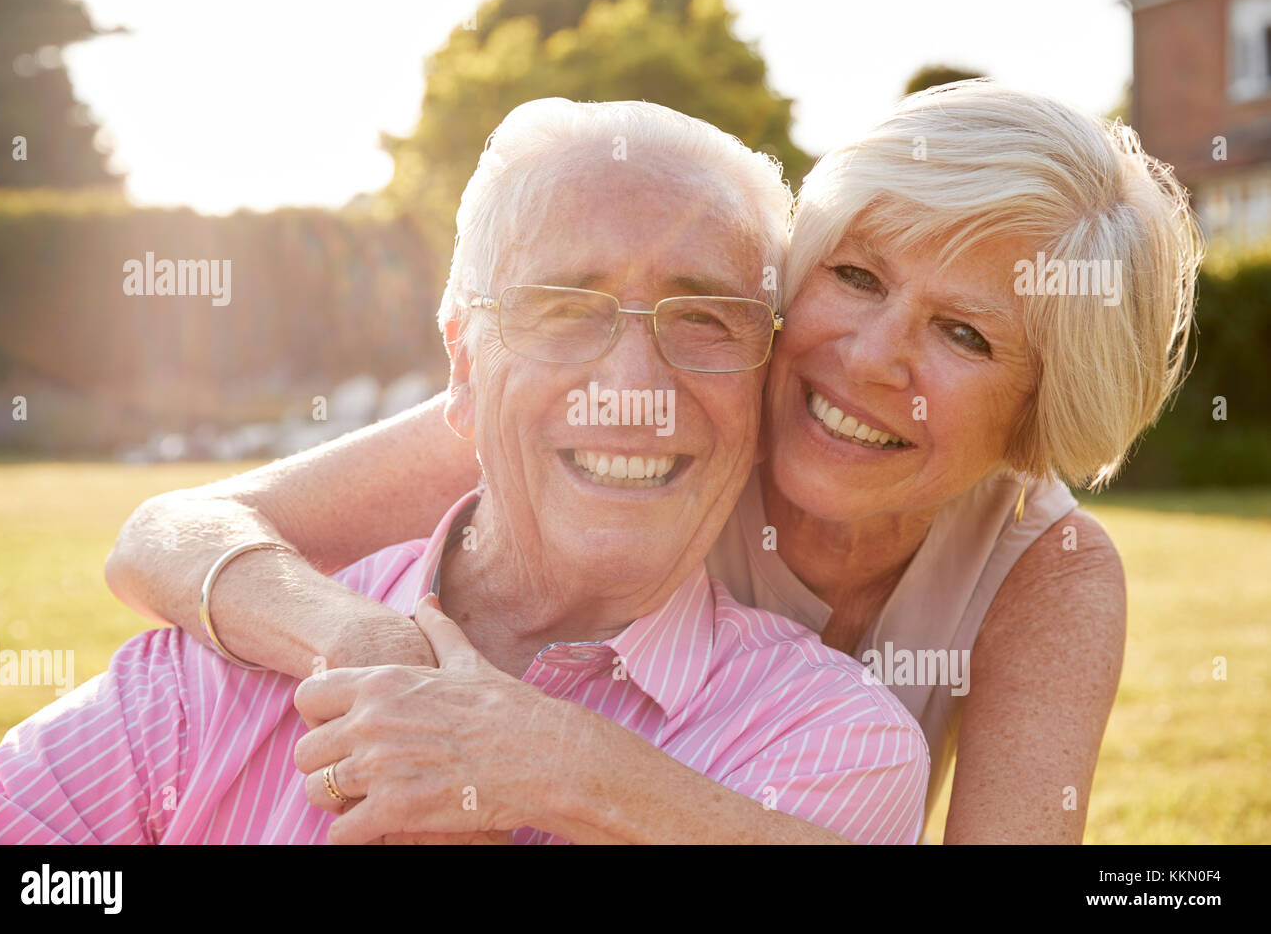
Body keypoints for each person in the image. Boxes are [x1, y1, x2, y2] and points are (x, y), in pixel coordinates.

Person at [104, 81, 1203, 843]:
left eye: (964, 333)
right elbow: (165, 536)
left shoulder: (1045, 571)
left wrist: (557, 760)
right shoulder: (650, 420)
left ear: (1038, 407)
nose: (867, 359)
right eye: (856, 278)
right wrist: (359, 641)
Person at [0, 99, 928, 845]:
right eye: (565, 310)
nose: (634, 388)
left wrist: (533, 772)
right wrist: (356, 642)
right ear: (464, 364)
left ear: (764, 380)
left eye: (706, 318)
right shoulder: (236, 648)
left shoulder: (827, 746)